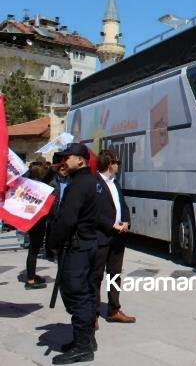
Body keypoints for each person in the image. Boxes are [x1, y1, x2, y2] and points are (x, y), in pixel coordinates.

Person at [46, 143, 99, 364]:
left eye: (68, 157)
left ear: (81, 160)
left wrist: (53, 242)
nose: (63, 161)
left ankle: (83, 347)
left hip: (76, 248)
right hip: (87, 245)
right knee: (84, 294)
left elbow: (68, 218)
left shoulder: (79, 184)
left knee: (76, 296)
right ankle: (86, 340)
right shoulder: (91, 182)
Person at [91, 149, 135, 325]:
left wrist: (126, 222)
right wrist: (111, 224)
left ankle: (114, 309)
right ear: (110, 164)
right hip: (101, 236)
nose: (118, 165)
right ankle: (92, 314)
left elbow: (122, 205)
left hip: (118, 237)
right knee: (96, 276)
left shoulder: (115, 183)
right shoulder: (95, 183)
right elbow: (94, 211)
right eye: (117, 162)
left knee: (114, 275)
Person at [23, 162, 50, 290]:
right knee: (33, 250)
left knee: (33, 250)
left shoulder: (27, 184)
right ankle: (30, 279)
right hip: (37, 221)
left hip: (32, 220)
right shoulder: (39, 186)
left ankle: (31, 274)